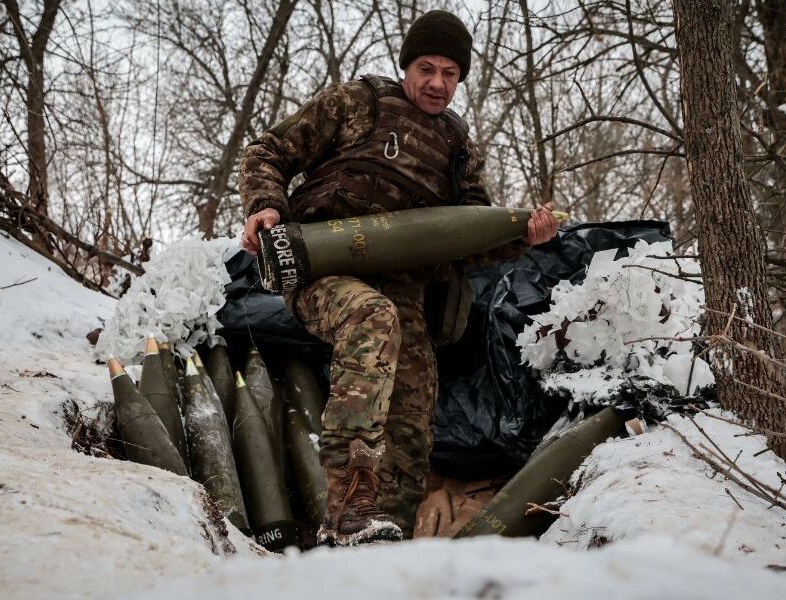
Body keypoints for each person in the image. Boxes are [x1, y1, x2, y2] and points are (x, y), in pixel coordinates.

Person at [238, 9, 558, 546]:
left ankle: (389, 543)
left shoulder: (458, 149)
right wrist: (266, 208)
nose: (437, 83)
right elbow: (266, 151)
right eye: (427, 68)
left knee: (413, 413)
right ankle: (346, 511)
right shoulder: (356, 104)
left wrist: (526, 234)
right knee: (371, 317)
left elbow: (471, 240)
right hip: (321, 269)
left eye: (450, 73)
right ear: (406, 65)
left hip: (406, 295)